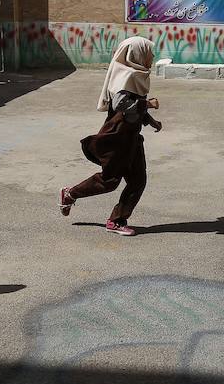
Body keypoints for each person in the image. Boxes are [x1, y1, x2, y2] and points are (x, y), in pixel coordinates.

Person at [60, 37, 162, 236]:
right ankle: (70, 193)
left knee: (138, 180)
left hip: (132, 136)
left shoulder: (138, 74)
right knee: (110, 181)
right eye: (149, 52)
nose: (152, 56)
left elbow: (134, 105)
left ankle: (117, 220)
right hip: (118, 137)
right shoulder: (127, 75)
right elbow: (120, 104)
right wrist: (146, 105)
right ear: (137, 53)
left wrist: (150, 120)